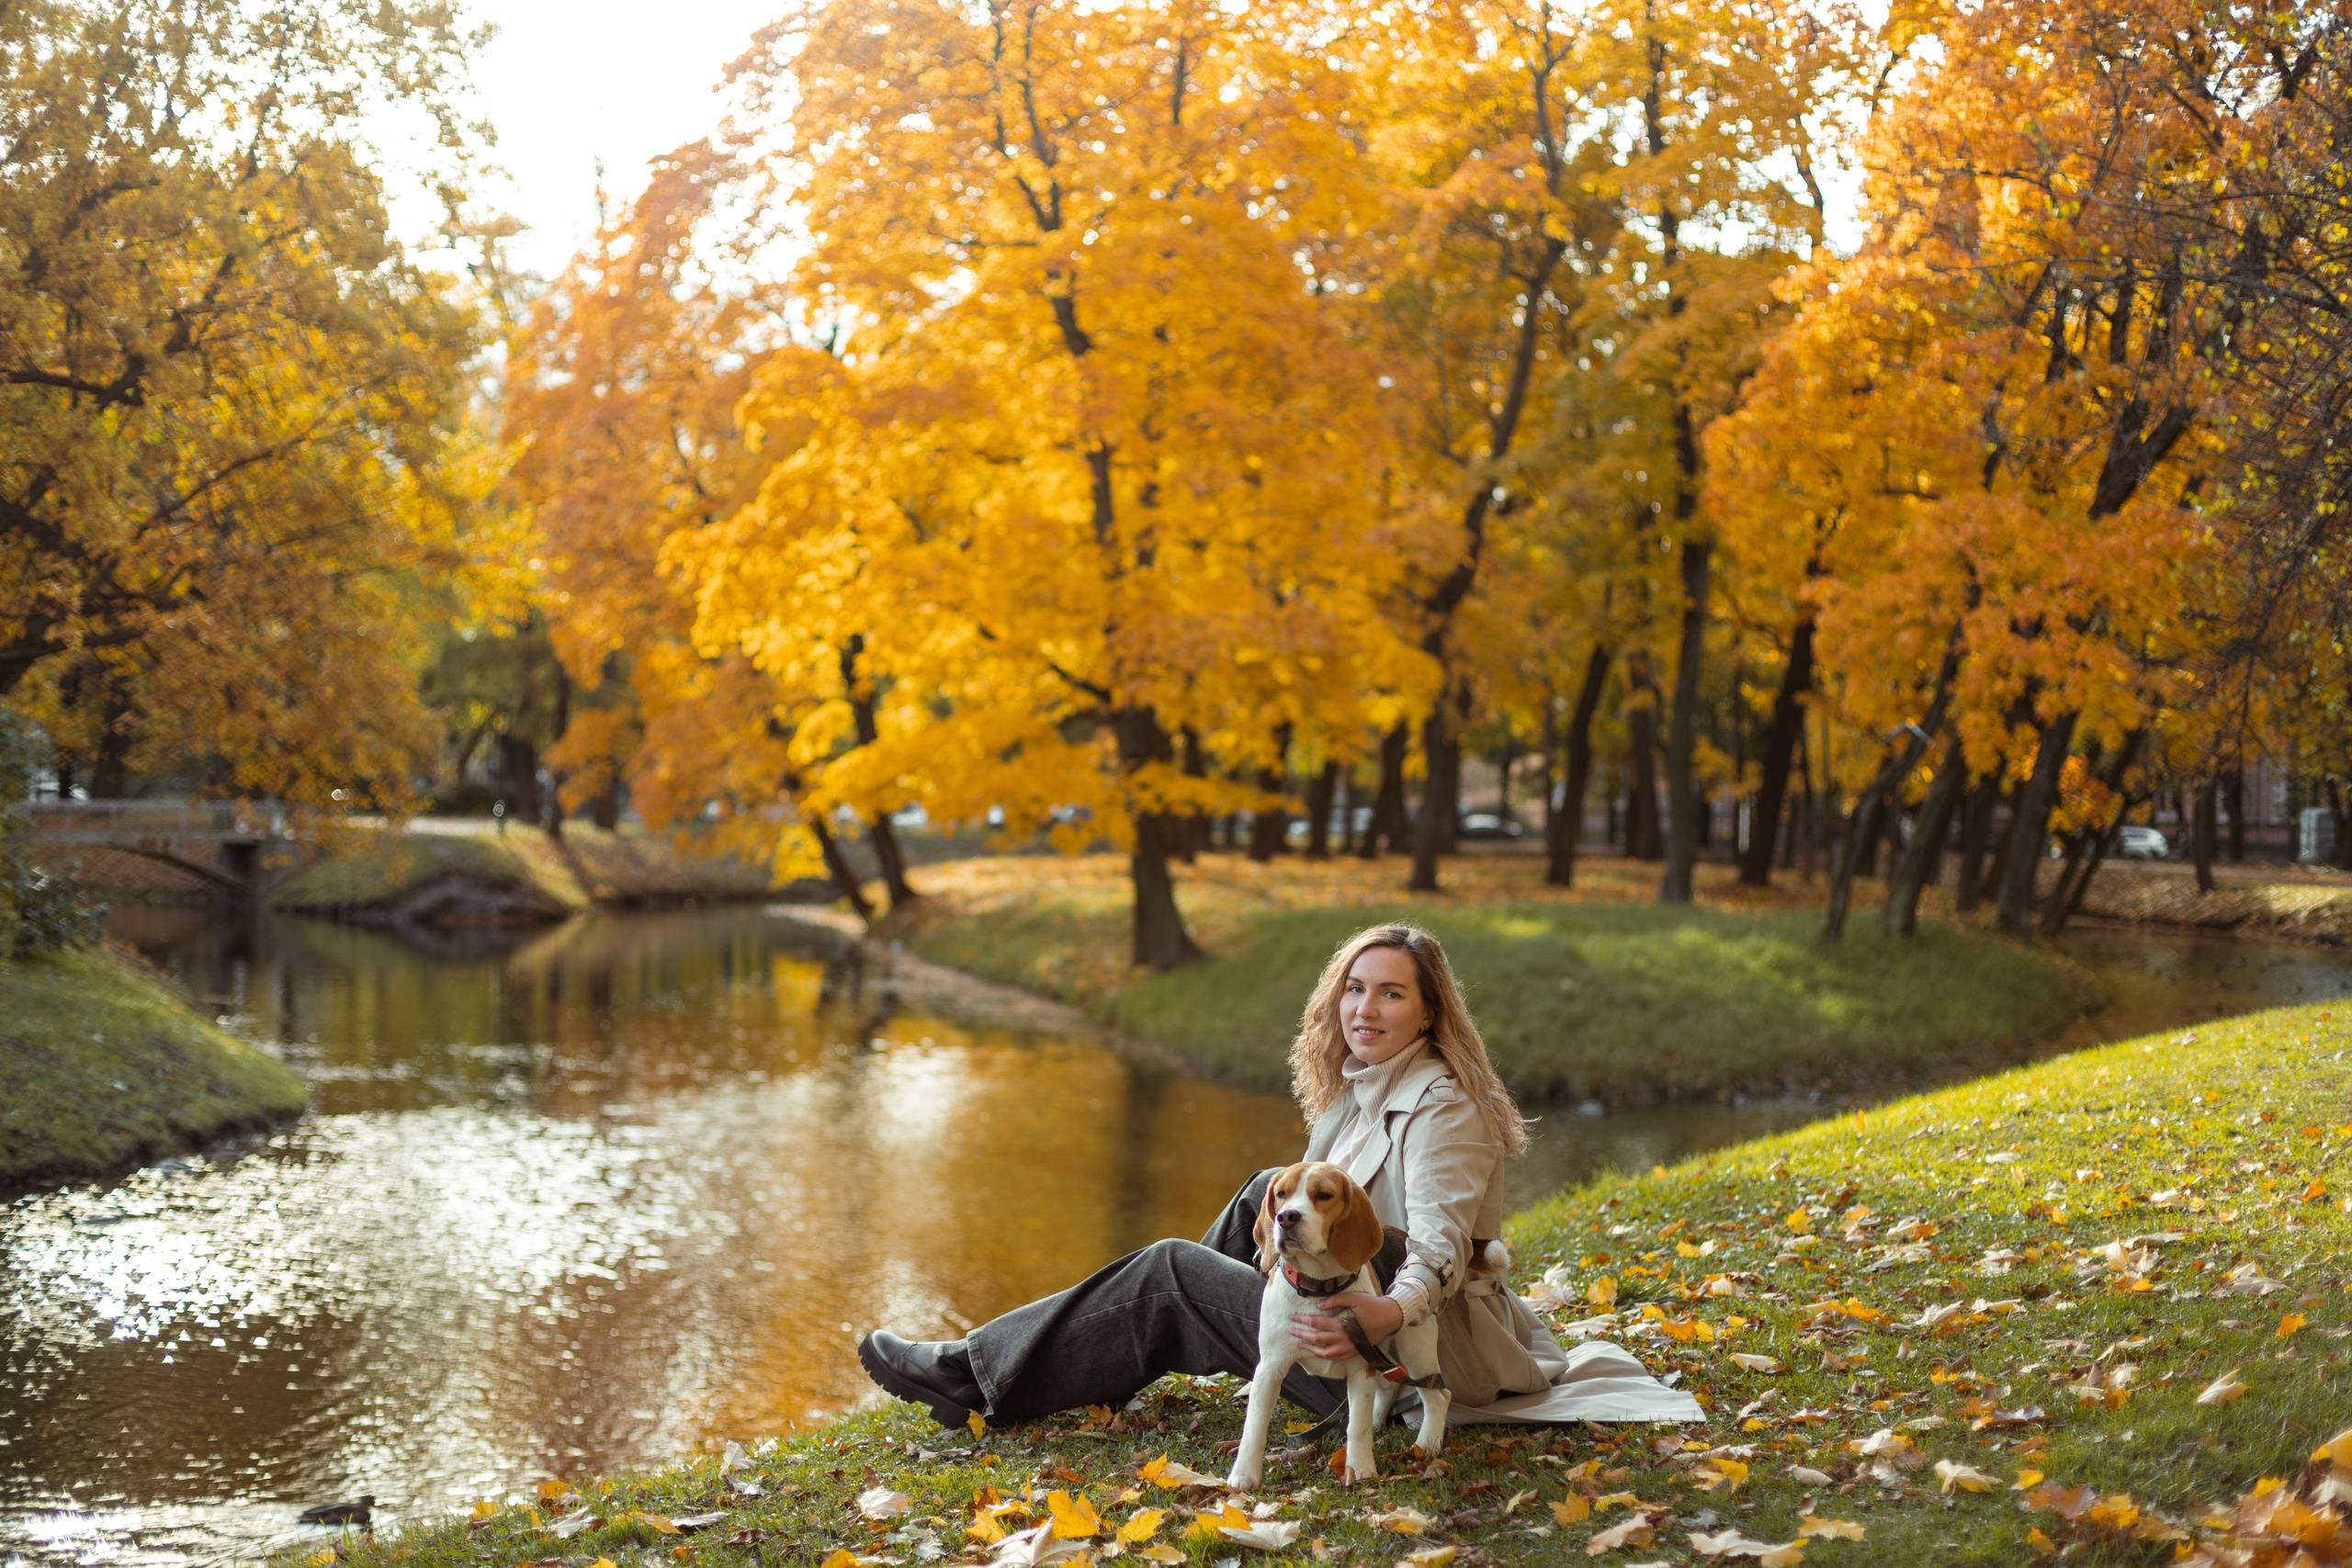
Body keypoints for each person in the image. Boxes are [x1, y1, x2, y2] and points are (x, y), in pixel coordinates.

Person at [859, 923, 1701, 1433]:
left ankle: (976, 1373)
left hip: (1399, 1360)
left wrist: (1382, 1313)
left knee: (1169, 1270)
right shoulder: (1359, 1094)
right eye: (1355, 989)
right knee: (1268, 1186)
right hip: (1346, 1310)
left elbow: (1441, 1249)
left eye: (1391, 995)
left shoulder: (1444, 1107)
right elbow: (1316, 1223)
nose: (1365, 1009)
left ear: (1430, 1013)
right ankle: (1096, 1356)